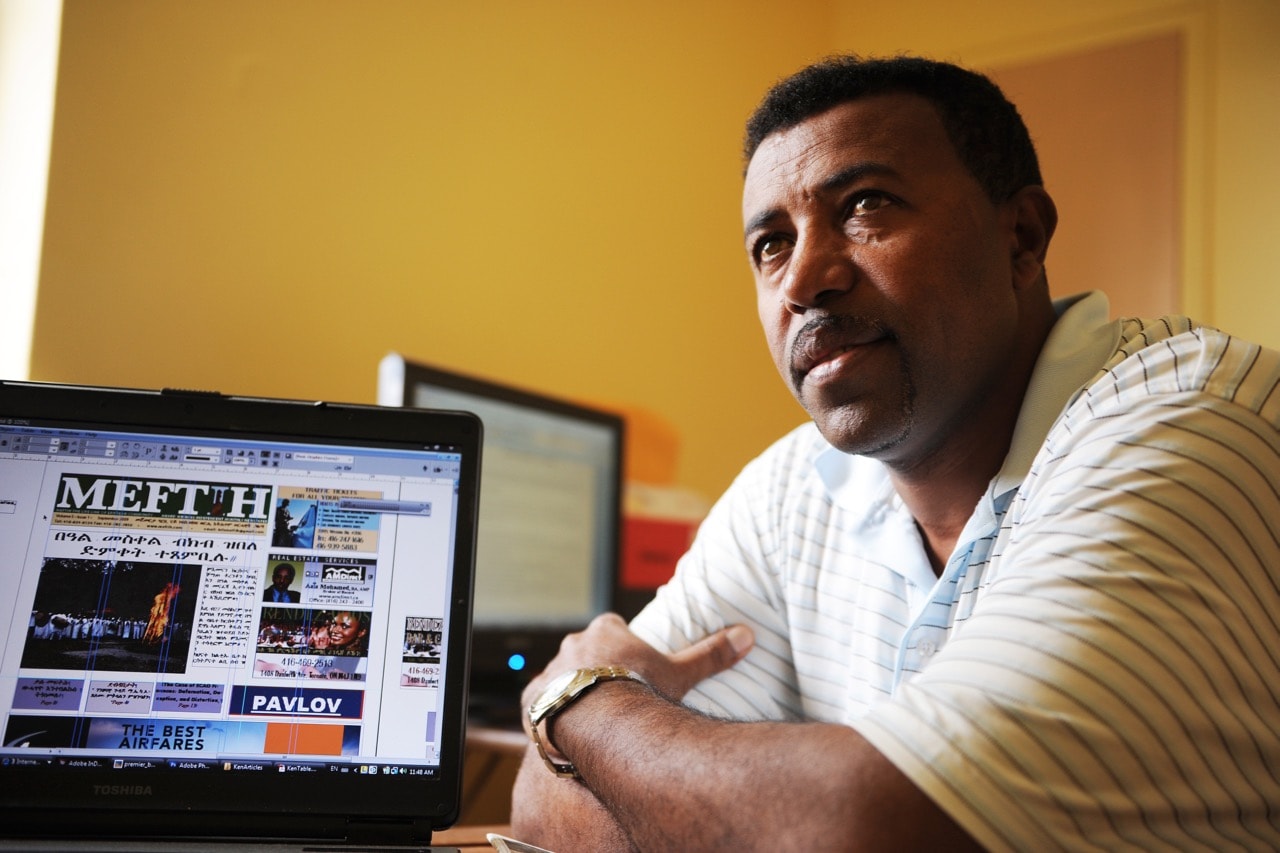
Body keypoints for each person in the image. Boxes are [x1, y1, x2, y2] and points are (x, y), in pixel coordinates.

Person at [510, 55, 1280, 851]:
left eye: (865, 205)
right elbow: (542, 809)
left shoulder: (1185, 425)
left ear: (1021, 237)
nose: (804, 278)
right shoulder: (789, 488)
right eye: (771, 244)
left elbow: (873, 826)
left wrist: (585, 704)